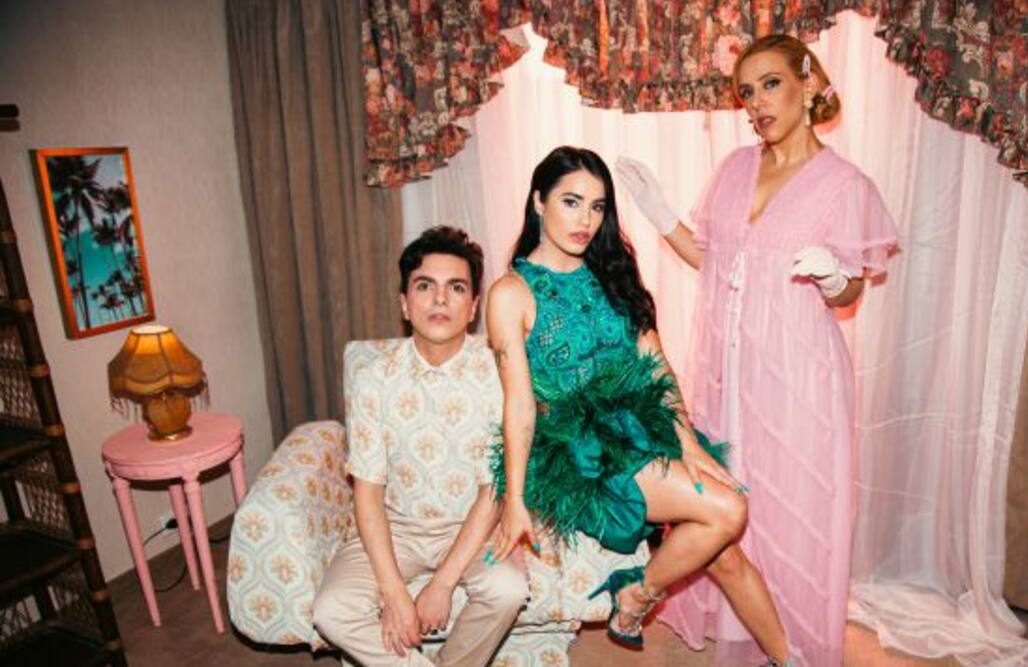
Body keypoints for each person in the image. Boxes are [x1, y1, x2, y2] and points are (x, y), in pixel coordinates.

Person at [616, 35, 900, 667]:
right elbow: (712, 260)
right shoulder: (735, 168)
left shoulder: (845, 185)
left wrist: (835, 276)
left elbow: (851, 290)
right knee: (731, 492)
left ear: (808, 82)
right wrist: (661, 215)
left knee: (793, 503)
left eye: (771, 84)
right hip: (729, 367)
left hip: (800, 372)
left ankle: (791, 639)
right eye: (747, 92)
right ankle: (746, 622)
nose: (757, 103)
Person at [486, 146, 795, 665]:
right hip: (582, 454)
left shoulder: (613, 273)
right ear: (538, 201)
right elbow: (519, 405)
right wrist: (514, 498)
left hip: (641, 427)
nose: (585, 220)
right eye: (571, 202)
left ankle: (791, 661)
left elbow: (657, 367)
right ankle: (635, 593)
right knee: (729, 509)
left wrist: (687, 442)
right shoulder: (511, 293)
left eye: (597, 206)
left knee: (726, 557)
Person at [312, 227, 528, 667]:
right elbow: (367, 491)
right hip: (396, 526)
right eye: (425, 286)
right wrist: (394, 592)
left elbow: (493, 491)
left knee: (508, 589)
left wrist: (442, 583)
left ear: (474, 308)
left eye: (457, 288)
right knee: (331, 611)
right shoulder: (374, 379)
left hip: (473, 524)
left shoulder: (498, 374)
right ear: (405, 304)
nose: (440, 299)